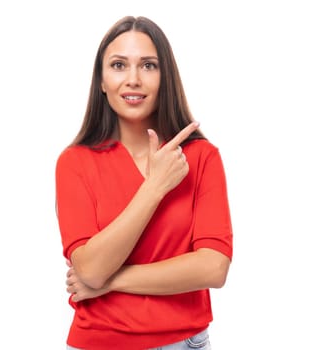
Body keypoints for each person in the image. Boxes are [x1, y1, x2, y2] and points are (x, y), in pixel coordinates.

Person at [55, 15, 233, 350]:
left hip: (185, 342)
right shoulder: (75, 162)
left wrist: (112, 281)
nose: (133, 79)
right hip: (99, 343)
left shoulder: (201, 157)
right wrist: (154, 187)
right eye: (119, 65)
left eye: (148, 65)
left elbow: (213, 267)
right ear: (102, 81)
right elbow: (90, 270)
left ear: (165, 77)